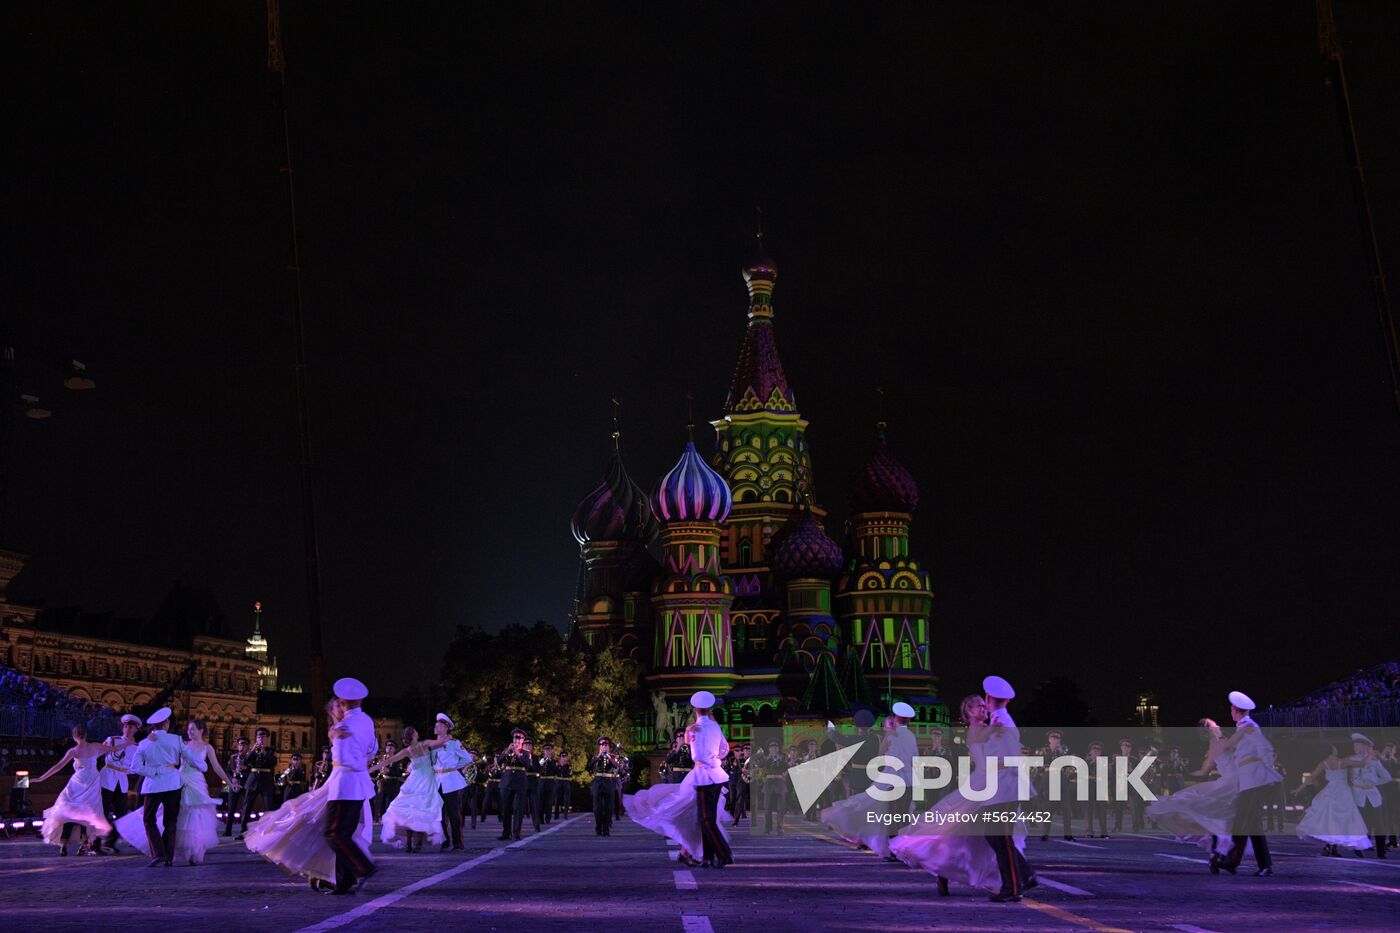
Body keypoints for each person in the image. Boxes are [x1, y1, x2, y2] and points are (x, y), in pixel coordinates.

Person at [892, 694, 1031, 898]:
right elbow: (986, 755)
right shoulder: (978, 730)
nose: (983, 709)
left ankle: (1019, 877)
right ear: (969, 713)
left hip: (989, 783)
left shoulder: (990, 726)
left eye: (984, 706)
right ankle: (944, 874)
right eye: (978, 707)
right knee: (957, 831)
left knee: (980, 835)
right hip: (983, 785)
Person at [245, 698, 376, 890]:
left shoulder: (350, 727)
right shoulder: (337, 730)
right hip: (338, 785)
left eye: (341, 705)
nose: (340, 709)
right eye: (335, 707)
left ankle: (350, 873)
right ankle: (339, 877)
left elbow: (366, 751)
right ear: (331, 712)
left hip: (347, 786)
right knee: (326, 830)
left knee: (338, 833)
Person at [116, 718, 233, 865]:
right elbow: (164, 746)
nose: (189, 732)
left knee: (193, 817)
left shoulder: (207, 747)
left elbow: (216, 767)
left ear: (201, 730)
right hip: (178, 780)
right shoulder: (180, 742)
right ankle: (167, 854)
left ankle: (190, 851)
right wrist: (150, 737)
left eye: (193, 729)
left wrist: (229, 783)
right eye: (188, 729)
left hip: (195, 783)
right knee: (173, 818)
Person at [978, 676, 1038, 902]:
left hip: (1004, 786)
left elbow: (1008, 758)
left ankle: (1013, 888)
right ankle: (1025, 875)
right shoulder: (998, 720)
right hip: (999, 786)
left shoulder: (1002, 723)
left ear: (987, 698)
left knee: (1000, 837)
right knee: (994, 836)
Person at [1147, 718, 1239, 858]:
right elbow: (1205, 770)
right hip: (1232, 782)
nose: (1218, 725)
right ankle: (1219, 849)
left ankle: (1220, 849)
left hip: (1232, 781)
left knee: (1215, 813)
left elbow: (1204, 771)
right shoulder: (1219, 742)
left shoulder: (1219, 742)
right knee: (1212, 812)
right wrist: (1184, 773)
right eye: (1214, 724)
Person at [1213, 690, 1280, 877]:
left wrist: (1217, 733)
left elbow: (1262, 748)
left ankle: (1233, 861)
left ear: (1236, 710)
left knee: (1244, 822)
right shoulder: (1245, 726)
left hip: (1255, 780)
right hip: (1249, 780)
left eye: (1231, 709)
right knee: (1251, 824)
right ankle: (1257, 865)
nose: (1230, 712)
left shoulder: (1248, 726)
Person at [35, 723, 129, 856]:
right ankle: (85, 843)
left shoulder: (73, 750)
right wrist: (127, 744)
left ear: (74, 736)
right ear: (86, 735)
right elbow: (114, 749)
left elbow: (57, 766)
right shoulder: (95, 746)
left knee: (68, 808)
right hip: (92, 781)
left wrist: (41, 778)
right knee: (89, 812)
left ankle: (66, 843)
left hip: (78, 781)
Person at [323, 677, 379, 894]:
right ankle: (345, 881)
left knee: (334, 833)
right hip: (360, 784)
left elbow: (345, 758)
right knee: (345, 832)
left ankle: (363, 866)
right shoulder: (366, 720)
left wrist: (335, 735)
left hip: (344, 784)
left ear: (344, 702)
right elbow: (372, 749)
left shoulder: (344, 727)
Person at [821, 715, 898, 857]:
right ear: (870, 726)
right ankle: (870, 838)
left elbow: (837, 738)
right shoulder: (877, 739)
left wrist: (831, 729)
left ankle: (860, 839)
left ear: (858, 727)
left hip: (857, 778)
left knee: (857, 809)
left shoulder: (854, 739)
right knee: (871, 810)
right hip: (873, 777)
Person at [372, 725, 452, 851]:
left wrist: (369, 769)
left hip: (414, 780)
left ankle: (409, 843)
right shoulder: (424, 743)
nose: (417, 732)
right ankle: (418, 843)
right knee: (422, 811)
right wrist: (448, 733)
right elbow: (441, 741)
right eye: (416, 731)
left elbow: (386, 762)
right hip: (426, 779)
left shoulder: (407, 750)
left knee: (410, 811)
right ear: (414, 735)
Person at [1294, 742, 1373, 856]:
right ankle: (1333, 847)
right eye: (1335, 748)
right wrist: (1369, 754)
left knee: (1328, 820)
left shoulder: (1323, 763)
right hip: (1343, 792)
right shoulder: (1344, 761)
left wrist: (1299, 789)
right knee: (1341, 820)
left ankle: (1330, 847)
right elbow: (1362, 763)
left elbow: (1311, 777)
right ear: (1332, 750)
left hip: (1330, 791)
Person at [131, 707, 185, 867]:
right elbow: (190, 758)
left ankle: (158, 853)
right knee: (171, 820)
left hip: (153, 785)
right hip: (173, 783)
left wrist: (153, 771)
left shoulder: (144, 743)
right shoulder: (176, 739)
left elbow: (135, 767)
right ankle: (168, 856)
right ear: (166, 723)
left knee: (148, 819)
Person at [689, 690, 733, 868]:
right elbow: (725, 749)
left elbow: (696, 755)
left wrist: (707, 760)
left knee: (705, 819)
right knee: (710, 818)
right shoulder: (715, 726)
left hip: (703, 775)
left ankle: (724, 854)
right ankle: (708, 857)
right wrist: (716, 760)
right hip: (717, 773)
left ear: (695, 709)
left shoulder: (695, 728)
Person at [92, 713, 142, 855]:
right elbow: (98, 753)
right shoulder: (113, 740)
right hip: (107, 778)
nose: (127, 729)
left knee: (122, 815)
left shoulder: (137, 747)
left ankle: (109, 842)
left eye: (131, 727)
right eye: (126, 726)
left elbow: (135, 766)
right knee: (101, 811)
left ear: (136, 729)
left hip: (122, 780)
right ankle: (94, 844)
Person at [430, 713, 472, 851]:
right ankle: (445, 840)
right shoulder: (433, 744)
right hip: (437, 781)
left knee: (454, 813)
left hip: (451, 781)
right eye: (436, 725)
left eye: (439, 726)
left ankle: (458, 843)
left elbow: (467, 759)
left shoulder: (454, 743)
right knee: (438, 814)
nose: (436, 728)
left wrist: (454, 767)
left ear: (446, 728)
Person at [1346, 733, 1391, 858]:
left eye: (1358, 745)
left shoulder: (1375, 762)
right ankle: (1358, 847)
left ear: (1365, 746)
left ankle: (1381, 852)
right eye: (1355, 745)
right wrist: (1362, 784)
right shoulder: (1353, 760)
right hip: (1358, 795)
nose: (1356, 747)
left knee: (1379, 824)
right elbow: (1353, 778)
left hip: (1373, 796)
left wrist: (1373, 782)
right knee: (1361, 823)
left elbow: (1387, 777)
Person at [233, 727, 278, 841]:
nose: (260, 739)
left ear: (267, 738)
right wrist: (252, 750)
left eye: (262, 737)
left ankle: (271, 832)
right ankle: (243, 832)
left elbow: (273, 762)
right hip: (252, 780)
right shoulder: (253, 750)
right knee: (246, 806)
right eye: (258, 737)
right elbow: (245, 762)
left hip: (266, 780)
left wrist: (263, 751)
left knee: (269, 806)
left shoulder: (270, 750)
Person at [1036, 730, 1075, 842]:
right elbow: (1040, 764)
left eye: (1057, 738)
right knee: (1048, 808)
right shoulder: (1042, 750)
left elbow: (1070, 763)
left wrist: (1068, 772)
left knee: (1066, 808)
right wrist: (1052, 751)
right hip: (1049, 778)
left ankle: (1068, 834)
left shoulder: (1064, 750)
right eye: (1053, 737)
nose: (1056, 739)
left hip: (1062, 778)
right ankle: (1045, 833)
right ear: (1049, 739)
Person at [497, 730, 532, 841]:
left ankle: (516, 833)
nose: (516, 740)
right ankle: (506, 833)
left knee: (518, 809)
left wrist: (518, 753)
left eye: (519, 738)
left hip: (520, 783)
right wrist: (507, 751)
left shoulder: (526, 752)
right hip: (506, 782)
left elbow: (527, 765)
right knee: (506, 809)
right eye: (515, 738)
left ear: (522, 740)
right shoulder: (507, 750)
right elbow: (499, 762)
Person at [589, 736, 621, 837]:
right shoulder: (595, 757)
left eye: (606, 745)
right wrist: (599, 755)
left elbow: (616, 766)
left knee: (608, 807)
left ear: (609, 747)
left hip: (609, 782)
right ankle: (598, 828)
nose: (604, 747)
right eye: (602, 745)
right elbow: (589, 766)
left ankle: (606, 829)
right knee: (597, 807)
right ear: (599, 747)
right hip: (598, 782)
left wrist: (609, 757)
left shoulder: (612, 757)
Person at [758, 738, 789, 834]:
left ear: (778, 749)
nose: (774, 749)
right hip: (768, 784)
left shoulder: (783, 758)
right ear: (769, 749)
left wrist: (781, 761)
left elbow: (788, 767)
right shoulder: (765, 758)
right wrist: (768, 758)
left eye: (775, 747)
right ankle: (768, 828)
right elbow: (760, 765)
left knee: (781, 808)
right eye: (772, 747)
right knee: (767, 808)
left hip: (780, 783)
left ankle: (780, 828)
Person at [222, 736, 250, 837]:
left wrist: (245, 768)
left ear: (248, 746)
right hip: (235, 784)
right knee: (231, 807)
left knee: (245, 808)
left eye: (244, 745)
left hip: (246, 784)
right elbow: (228, 771)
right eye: (240, 744)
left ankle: (243, 831)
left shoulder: (250, 757)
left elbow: (253, 771)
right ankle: (227, 830)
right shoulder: (233, 757)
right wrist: (231, 779)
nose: (241, 746)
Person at [372, 740, 404, 820]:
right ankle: (378, 817)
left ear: (394, 749)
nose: (389, 748)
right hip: (381, 783)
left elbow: (399, 773)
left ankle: (389, 819)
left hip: (392, 784)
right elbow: (375, 771)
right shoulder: (381, 758)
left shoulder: (397, 759)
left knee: (389, 803)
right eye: (387, 746)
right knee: (379, 802)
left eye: (391, 747)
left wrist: (389, 771)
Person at [1083, 743, 1109, 838]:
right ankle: (1089, 831)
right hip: (1089, 787)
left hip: (1100, 787)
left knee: (1102, 810)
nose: (1096, 752)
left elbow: (1109, 775)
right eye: (1094, 751)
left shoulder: (1104, 763)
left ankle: (1104, 831)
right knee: (1088, 810)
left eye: (1098, 751)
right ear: (1090, 752)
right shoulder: (1085, 762)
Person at [537, 743, 559, 826]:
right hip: (542, 781)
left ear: (551, 751)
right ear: (544, 751)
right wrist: (544, 759)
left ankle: (548, 817)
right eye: (546, 750)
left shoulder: (554, 761)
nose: (547, 751)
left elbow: (556, 771)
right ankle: (540, 818)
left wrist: (550, 760)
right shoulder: (541, 760)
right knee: (540, 800)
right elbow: (538, 767)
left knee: (549, 801)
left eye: (549, 750)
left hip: (550, 782)